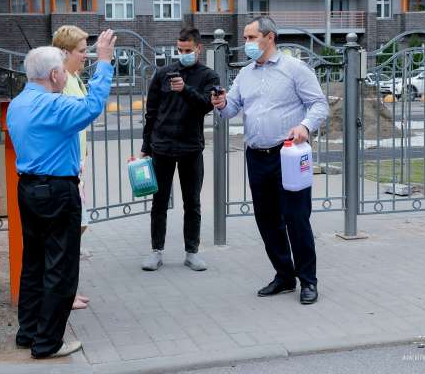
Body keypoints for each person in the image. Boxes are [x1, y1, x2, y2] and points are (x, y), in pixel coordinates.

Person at [6, 30, 116, 358]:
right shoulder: (52, 106)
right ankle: (48, 343)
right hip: (56, 190)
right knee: (61, 268)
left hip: (28, 188)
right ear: (54, 74)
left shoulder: (18, 103)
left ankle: (28, 332)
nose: (66, 74)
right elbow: (93, 105)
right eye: (63, 71)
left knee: (35, 263)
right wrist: (106, 63)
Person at [211, 16, 328, 305]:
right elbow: (231, 110)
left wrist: (304, 126)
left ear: (270, 37)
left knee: (296, 218)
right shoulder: (246, 74)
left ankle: (308, 281)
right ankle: (284, 276)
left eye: (251, 38)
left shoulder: (294, 69)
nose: (247, 44)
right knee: (267, 219)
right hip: (257, 156)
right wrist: (222, 104)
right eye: (246, 38)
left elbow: (319, 105)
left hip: (288, 154)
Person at [140, 27, 220, 272]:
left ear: (199, 48)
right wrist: (146, 146)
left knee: (192, 202)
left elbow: (207, 105)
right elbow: (151, 112)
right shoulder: (163, 73)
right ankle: (156, 251)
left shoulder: (209, 76)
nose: (183, 54)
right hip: (162, 147)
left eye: (188, 50)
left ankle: (191, 252)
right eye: (179, 50)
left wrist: (184, 89)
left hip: (191, 148)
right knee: (159, 202)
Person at [53, 25, 91, 311]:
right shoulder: (60, 81)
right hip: (67, 166)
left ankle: (70, 290)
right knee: (68, 233)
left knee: (77, 230)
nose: (86, 55)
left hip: (77, 164)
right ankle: (65, 294)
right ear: (65, 52)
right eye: (82, 51)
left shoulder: (75, 78)